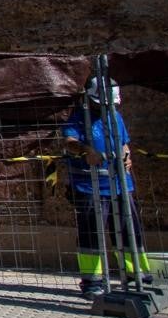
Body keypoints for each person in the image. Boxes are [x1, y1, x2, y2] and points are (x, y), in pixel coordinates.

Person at [61, 77, 151, 300]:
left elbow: (124, 142)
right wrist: (85, 150)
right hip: (90, 186)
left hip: (121, 184)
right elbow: (68, 141)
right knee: (92, 233)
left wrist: (127, 155)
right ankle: (93, 281)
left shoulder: (115, 116)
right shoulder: (79, 119)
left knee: (131, 230)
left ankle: (137, 275)